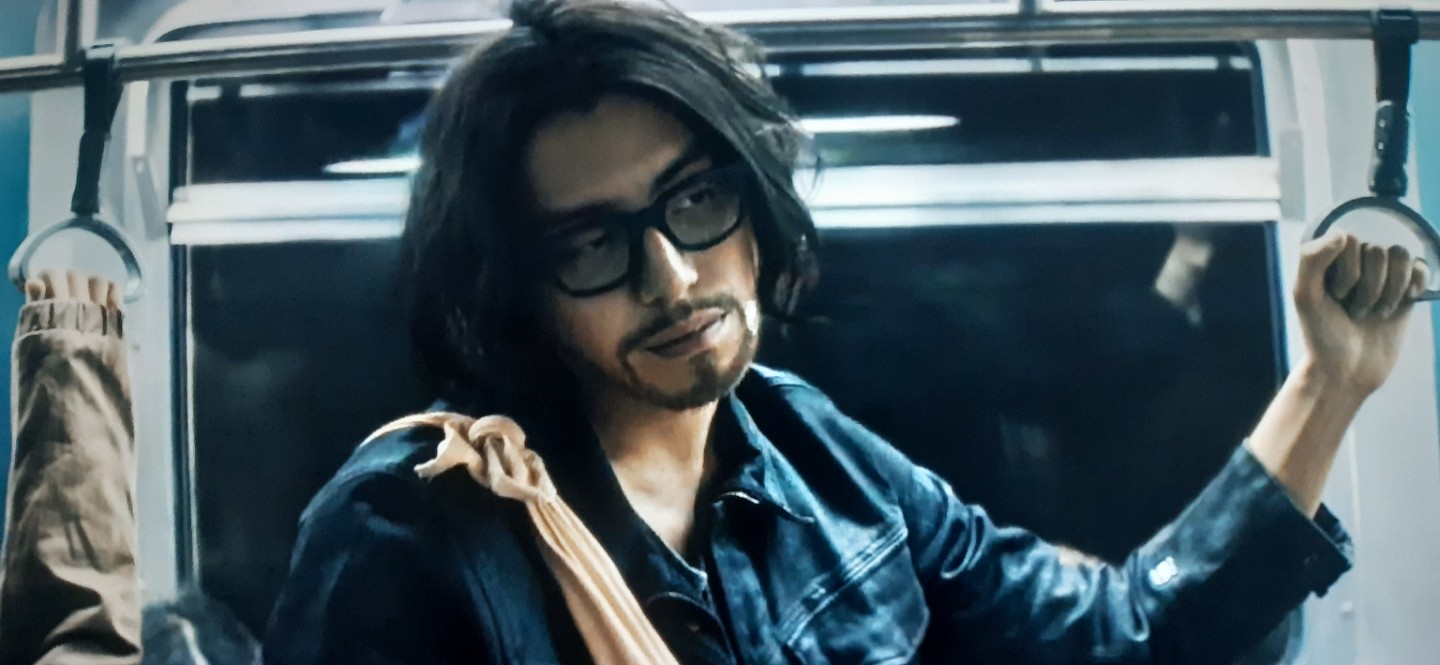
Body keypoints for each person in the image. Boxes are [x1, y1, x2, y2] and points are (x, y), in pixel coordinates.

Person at [263, 0, 1429, 663]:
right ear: (521, 284)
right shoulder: (416, 525)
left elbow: (1120, 636)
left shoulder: (813, 455)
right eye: (591, 243)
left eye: (695, 200)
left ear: (753, 205)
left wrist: (1329, 384)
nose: (673, 275)